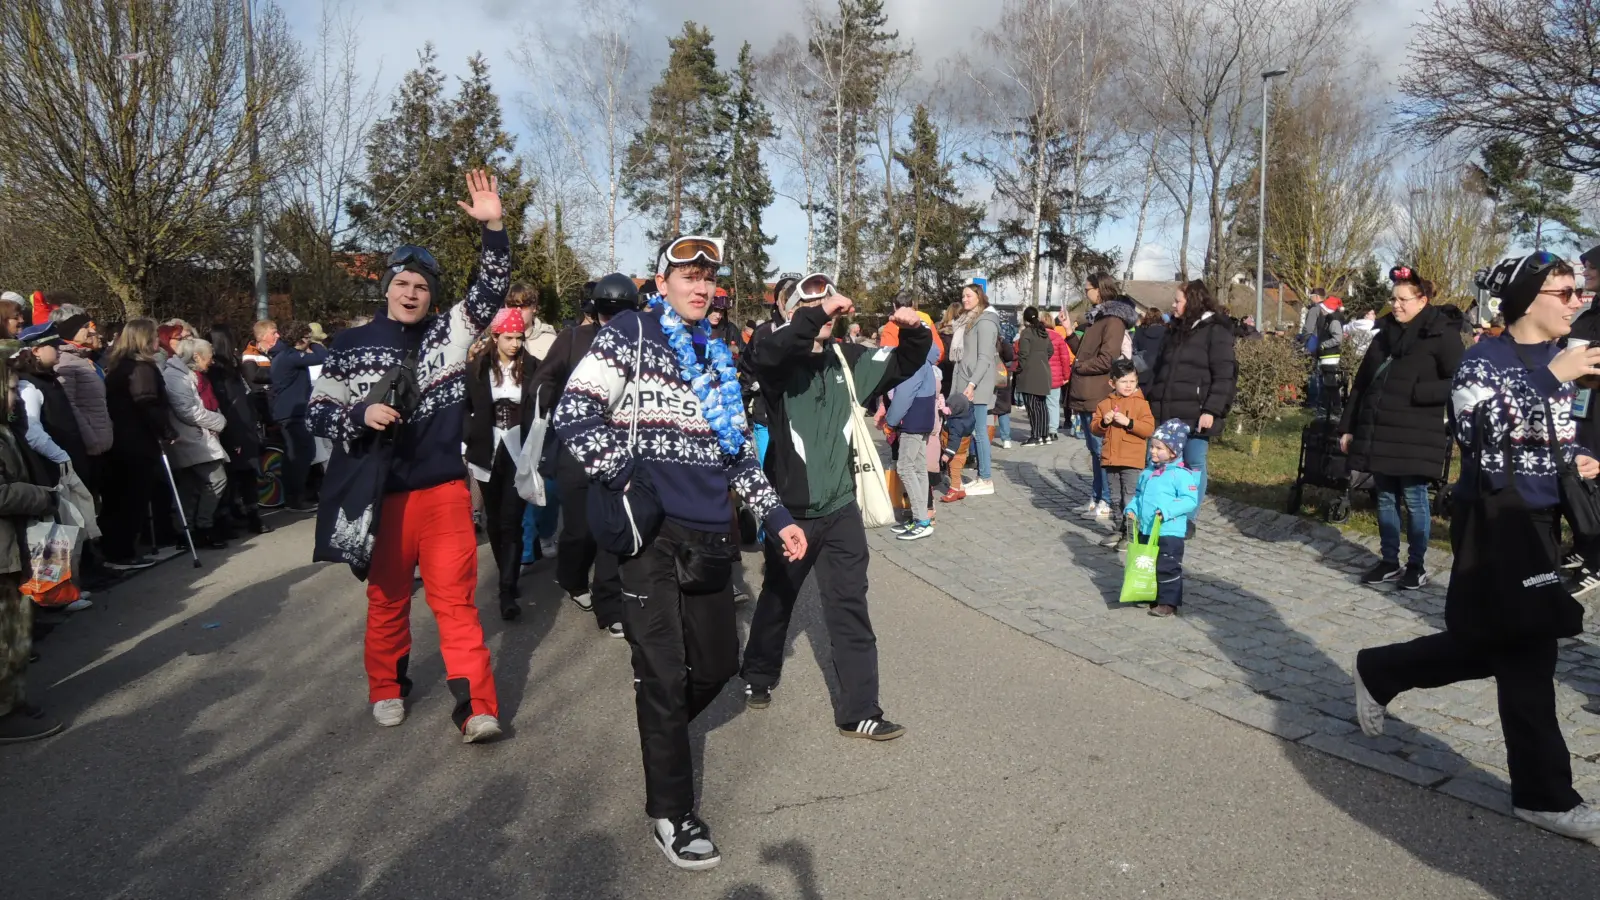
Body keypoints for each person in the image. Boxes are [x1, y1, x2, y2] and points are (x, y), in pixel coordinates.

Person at [554, 236, 807, 871]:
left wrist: (776, 518)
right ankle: (672, 810)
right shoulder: (631, 334)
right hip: (650, 537)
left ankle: (659, 732)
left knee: (718, 666)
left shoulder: (717, 353)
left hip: (711, 533)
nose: (699, 287)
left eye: (707, 278)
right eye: (687, 276)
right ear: (660, 283)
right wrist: (627, 475)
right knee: (664, 674)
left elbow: (738, 453)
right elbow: (574, 412)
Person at [1354, 251, 1600, 842]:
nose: (1578, 301)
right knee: (1529, 652)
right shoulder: (1483, 361)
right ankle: (1544, 796)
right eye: (1565, 292)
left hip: (1543, 517)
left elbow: (1559, 434)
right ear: (1527, 301)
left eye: (1578, 292)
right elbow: (1479, 433)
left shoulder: (1566, 360)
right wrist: (1552, 378)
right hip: (1493, 520)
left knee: (1497, 642)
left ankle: (1381, 669)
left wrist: (1583, 460)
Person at [306, 169, 508, 743]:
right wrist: (357, 415)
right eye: (403, 283)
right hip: (381, 494)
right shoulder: (346, 346)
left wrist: (493, 226)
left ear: (432, 295)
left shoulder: (452, 333)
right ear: (387, 288)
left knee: (456, 605)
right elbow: (315, 413)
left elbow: (490, 293)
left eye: (421, 286)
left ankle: (476, 709)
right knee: (388, 599)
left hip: (443, 492)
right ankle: (387, 689)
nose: (412, 292)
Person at [742, 271, 927, 730]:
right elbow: (766, 351)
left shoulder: (847, 358)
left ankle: (860, 712)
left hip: (842, 508)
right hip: (791, 513)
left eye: (828, 299)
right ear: (788, 314)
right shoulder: (776, 363)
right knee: (779, 595)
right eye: (808, 303)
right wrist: (814, 312)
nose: (823, 307)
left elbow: (906, 361)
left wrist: (915, 328)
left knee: (849, 607)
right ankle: (760, 672)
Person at [1338, 267, 1464, 591]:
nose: (1395, 305)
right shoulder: (1383, 336)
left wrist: (1421, 393)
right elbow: (1362, 384)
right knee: (1385, 498)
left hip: (1418, 433)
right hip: (1380, 430)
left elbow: (1460, 381)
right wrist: (1348, 427)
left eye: (1403, 299)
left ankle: (1417, 565)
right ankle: (1389, 561)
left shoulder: (1443, 334)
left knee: (1415, 498)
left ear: (1422, 300)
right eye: (1393, 298)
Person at [529, 273, 640, 638]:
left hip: (621, 449)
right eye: (608, 311)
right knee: (579, 531)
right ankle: (572, 578)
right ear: (595, 310)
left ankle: (610, 607)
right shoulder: (573, 338)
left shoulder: (637, 343)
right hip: (575, 451)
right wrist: (551, 396)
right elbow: (543, 379)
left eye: (623, 311)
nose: (614, 318)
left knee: (612, 528)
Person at [0, 341, 65, 743]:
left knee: (18, 629)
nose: (16, 395)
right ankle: (5, 711)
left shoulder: (6, 430)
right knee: (6, 635)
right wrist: (41, 495)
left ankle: (14, 699)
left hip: (15, 545)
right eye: (10, 387)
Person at [1146, 279, 1237, 535]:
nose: (1173, 306)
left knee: (1194, 462)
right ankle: (1160, 509)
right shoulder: (1174, 330)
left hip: (1197, 413)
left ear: (1193, 302)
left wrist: (1211, 409)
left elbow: (1224, 374)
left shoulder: (1215, 331)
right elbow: (1160, 370)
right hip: (1166, 410)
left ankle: (1187, 517)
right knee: (1159, 461)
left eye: (1178, 301)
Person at [465, 307, 538, 621]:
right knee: (495, 520)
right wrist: (466, 441)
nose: (515, 343)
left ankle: (507, 589)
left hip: (520, 450)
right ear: (494, 337)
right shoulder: (478, 368)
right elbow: (464, 406)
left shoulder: (534, 367)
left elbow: (544, 405)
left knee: (512, 518)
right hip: (487, 449)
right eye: (509, 337)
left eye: (519, 337)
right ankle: (506, 575)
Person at [102, 319, 173, 570]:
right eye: (154, 337)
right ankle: (122, 552)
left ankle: (117, 549)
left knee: (122, 497)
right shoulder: (140, 368)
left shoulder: (119, 365)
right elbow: (147, 403)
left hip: (122, 440)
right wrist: (166, 431)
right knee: (133, 497)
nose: (158, 342)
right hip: (136, 440)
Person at [1069, 273, 1138, 518]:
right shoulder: (1096, 319)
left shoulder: (1113, 321)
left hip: (1097, 391)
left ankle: (1107, 501)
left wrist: (1080, 367)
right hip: (1086, 391)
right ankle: (1096, 497)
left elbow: (1106, 358)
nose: (1085, 293)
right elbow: (1085, 354)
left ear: (1099, 290)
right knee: (1093, 449)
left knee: (1101, 450)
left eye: (1087, 288)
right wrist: (1069, 334)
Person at [1127, 419, 1201, 618]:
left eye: (1159, 448)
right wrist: (1132, 508)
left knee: (1167, 566)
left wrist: (1167, 511)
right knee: (1147, 563)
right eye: (1152, 446)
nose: (1152, 451)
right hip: (1147, 528)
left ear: (1173, 452)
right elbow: (1139, 495)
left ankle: (1168, 602)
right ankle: (1147, 592)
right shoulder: (1148, 473)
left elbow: (1189, 500)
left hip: (1169, 530)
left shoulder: (1181, 475)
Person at [882, 297, 942, 541]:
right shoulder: (927, 357)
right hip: (923, 418)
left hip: (913, 419)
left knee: (906, 467)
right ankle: (921, 517)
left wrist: (891, 421)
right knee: (916, 467)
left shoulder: (914, 360)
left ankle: (921, 519)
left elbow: (904, 394)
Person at [162, 338, 230, 549]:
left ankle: (187, 530)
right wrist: (219, 421)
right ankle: (202, 527)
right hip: (189, 438)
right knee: (216, 479)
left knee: (191, 486)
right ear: (197, 356)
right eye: (209, 357)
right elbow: (187, 411)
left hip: (196, 436)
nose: (211, 362)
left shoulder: (191, 374)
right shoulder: (175, 376)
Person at [207, 325, 271, 537]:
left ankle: (241, 516)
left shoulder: (224, 368)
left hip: (235, 424)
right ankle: (245, 516)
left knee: (239, 474)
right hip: (238, 424)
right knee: (242, 475)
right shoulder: (224, 369)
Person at [1092, 359, 1155, 551]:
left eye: (1132, 381)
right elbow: (1094, 428)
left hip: (1132, 459)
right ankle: (1119, 529)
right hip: (1111, 458)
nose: (1128, 386)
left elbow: (1149, 429)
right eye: (1123, 381)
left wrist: (1129, 422)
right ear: (1112, 383)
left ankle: (1131, 532)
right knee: (1115, 497)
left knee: (1129, 497)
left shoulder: (1141, 404)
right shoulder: (1104, 404)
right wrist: (1104, 421)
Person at [14, 324, 88, 481]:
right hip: (56, 472)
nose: (59, 349)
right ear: (36, 351)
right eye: (54, 346)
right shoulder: (28, 385)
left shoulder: (47, 378)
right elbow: (32, 431)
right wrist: (62, 457)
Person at [949, 283, 1002, 496]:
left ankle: (986, 478)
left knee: (980, 432)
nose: (965, 299)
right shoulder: (969, 321)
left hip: (978, 385)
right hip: (968, 383)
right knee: (975, 431)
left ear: (979, 297)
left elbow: (984, 357)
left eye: (969, 295)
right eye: (963, 296)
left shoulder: (986, 321)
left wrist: (972, 384)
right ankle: (982, 476)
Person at [270, 322, 328, 511]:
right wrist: (315, 343)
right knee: (302, 455)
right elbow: (322, 356)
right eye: (306, 338)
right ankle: (295, 499)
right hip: (292, 412)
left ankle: (294, 497)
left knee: (294, 456)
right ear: (298, 339)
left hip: (290, 411)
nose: (308, 342)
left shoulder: (284, 355)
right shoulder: (289, 357)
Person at [1015, 306, 1055, 446]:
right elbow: (1051, 350)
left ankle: (1035, 436)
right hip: (1043, 372)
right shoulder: (1043, 331)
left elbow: (1023, 354)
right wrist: (1041, 359)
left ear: (1025, 318)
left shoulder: (1027, 333)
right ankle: (1045, 435)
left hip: (1030, 374)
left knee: (1032, 406)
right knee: (1042, 405)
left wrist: (1019, 369)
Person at [1303, 293, 1346, 411]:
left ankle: (1334, 407)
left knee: (1330, 383)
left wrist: (1323, 345)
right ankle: (1328, 406)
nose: (1321, 310)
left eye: (1323, 309)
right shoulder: (1330, 320)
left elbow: (1337, 338)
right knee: (1327, 383)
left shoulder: (1333, 321)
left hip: (1330, 356)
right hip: (1327, 355)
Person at [1046, 313, 1072, 440]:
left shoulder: (1036, 337)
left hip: (1039, 375)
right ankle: (1053, 430)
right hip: (1055, 376)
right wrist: (1066, 376)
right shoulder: (1058, 337)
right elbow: (1065, 358)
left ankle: (1042, 427)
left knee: (1041, 403)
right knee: (1054, 403)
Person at [1131, 306, 1167, 392]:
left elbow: (1133, 349)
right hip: (1158, 372)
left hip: (1141, 370)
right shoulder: (1166, 333)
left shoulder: (1139, 331)